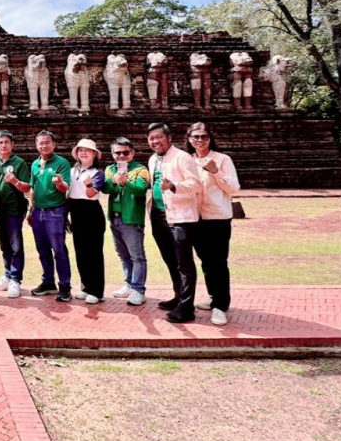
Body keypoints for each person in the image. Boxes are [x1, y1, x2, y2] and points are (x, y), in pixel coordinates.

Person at [186, 122, 240, 326]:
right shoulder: (187, 160)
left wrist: (216, 172)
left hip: (217, 217)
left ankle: (220, 305)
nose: (200, 140)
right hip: (194, 216)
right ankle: (213, 297)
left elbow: (234, 188)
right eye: (196, 137)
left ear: (210, 138)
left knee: (218, 262)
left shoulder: (222, 159)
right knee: (205, 261)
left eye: (204, 137)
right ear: (189, 139)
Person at [9, 130, 74, 302]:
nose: (44, 146)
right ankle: (48, 282)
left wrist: (59, 183)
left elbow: (65, 188)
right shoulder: (36, 164)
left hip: (55, 211)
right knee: (42, 250)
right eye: (41, 143)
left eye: (47, 142)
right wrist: (31, 210)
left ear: (54, 144)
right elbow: (32, 188)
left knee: (59, 250)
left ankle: (65, 286)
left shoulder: (62, 163)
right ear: (36, 145)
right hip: (38, 212)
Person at [147, 123, 202, 323]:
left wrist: (173, 186)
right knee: (170, 259)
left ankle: (187, 308)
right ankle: (179, 296)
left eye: (159, 137)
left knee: (184, 263)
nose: (155, 141)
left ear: (168, 137)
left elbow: (196, 184)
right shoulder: (153, 159)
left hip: (181, 215)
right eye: (151, 138)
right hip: (159, 213)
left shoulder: (182, 157)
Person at [102, 137, 151, 306]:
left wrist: (126, 182)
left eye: (126, 152)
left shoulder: (140, 170)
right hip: (115, 216)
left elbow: (141, 190)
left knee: (137, 256)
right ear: (112, 154)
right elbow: (105, 188)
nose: (121, 156)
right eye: (118, 153)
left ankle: (138, 289)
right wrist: (114, 180)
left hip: (132, 218)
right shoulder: (110, 169)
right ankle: (129, 283)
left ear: (132, 153)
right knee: (123, 254)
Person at [0, 130, 30, 299]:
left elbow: (26, 188)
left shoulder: (19, 163)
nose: (3, 145)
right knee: (4, 245)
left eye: (7, 142)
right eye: (0, 143)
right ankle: (7, 274)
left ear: (12, 145)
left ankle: (16, 279)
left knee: (15, 246)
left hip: (14, 210)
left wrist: (15, 181)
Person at [68, 138, 106, 304]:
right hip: (76, 211)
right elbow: (69, 195)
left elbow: (91, 194)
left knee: (94, 253)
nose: (83, 153)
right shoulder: (72, 171)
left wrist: (89, 185)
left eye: (87, 150)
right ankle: (85, 286)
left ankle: (96, 291)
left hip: (91, 212)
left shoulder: (98, 173)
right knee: (81, 251)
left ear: (94, 154)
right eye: (80, 150)